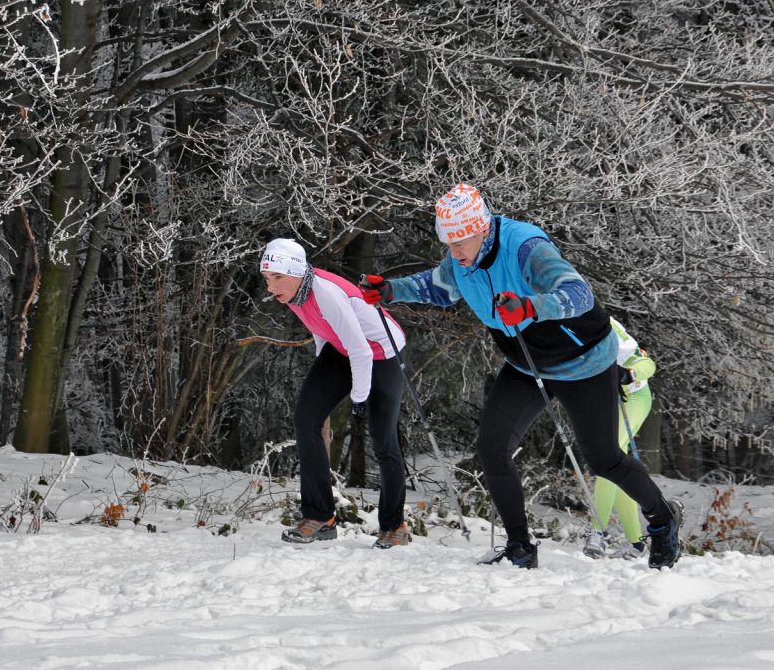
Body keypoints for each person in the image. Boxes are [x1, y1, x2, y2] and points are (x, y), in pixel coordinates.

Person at [359, 183, 682, 569]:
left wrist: (531, 305)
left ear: (483, 228)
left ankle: (663, 523)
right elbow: (440, 286)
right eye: (449, 242)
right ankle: (519, 547)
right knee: (492, 447)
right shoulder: (462, 260)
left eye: (462, 241)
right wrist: (392, 290)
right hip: (527, 363)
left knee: (605, 460)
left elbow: (578, 294)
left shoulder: (526, 246)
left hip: (585, 361)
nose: (455, 252)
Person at [260, 238, 411, 548]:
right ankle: (320, 517)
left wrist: (359, 397)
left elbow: (362, 350)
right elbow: (320, 329)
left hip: (382, 351)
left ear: (296, 272)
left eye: (276, 277)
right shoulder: (292, 293)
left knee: (383, 442)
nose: (270, 286)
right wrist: (323, 377)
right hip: (342, 349)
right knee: (306, 420)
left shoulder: (325, 292)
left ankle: (394, 526)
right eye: (266, 279)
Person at [583, 318, 657, 560]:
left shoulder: (606, 327)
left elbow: (647, 363)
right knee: (618, 465)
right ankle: (636, 543)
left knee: (609, 457)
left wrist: (629, 373)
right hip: (607, 402)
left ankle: (598, 532)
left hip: (634, 398)